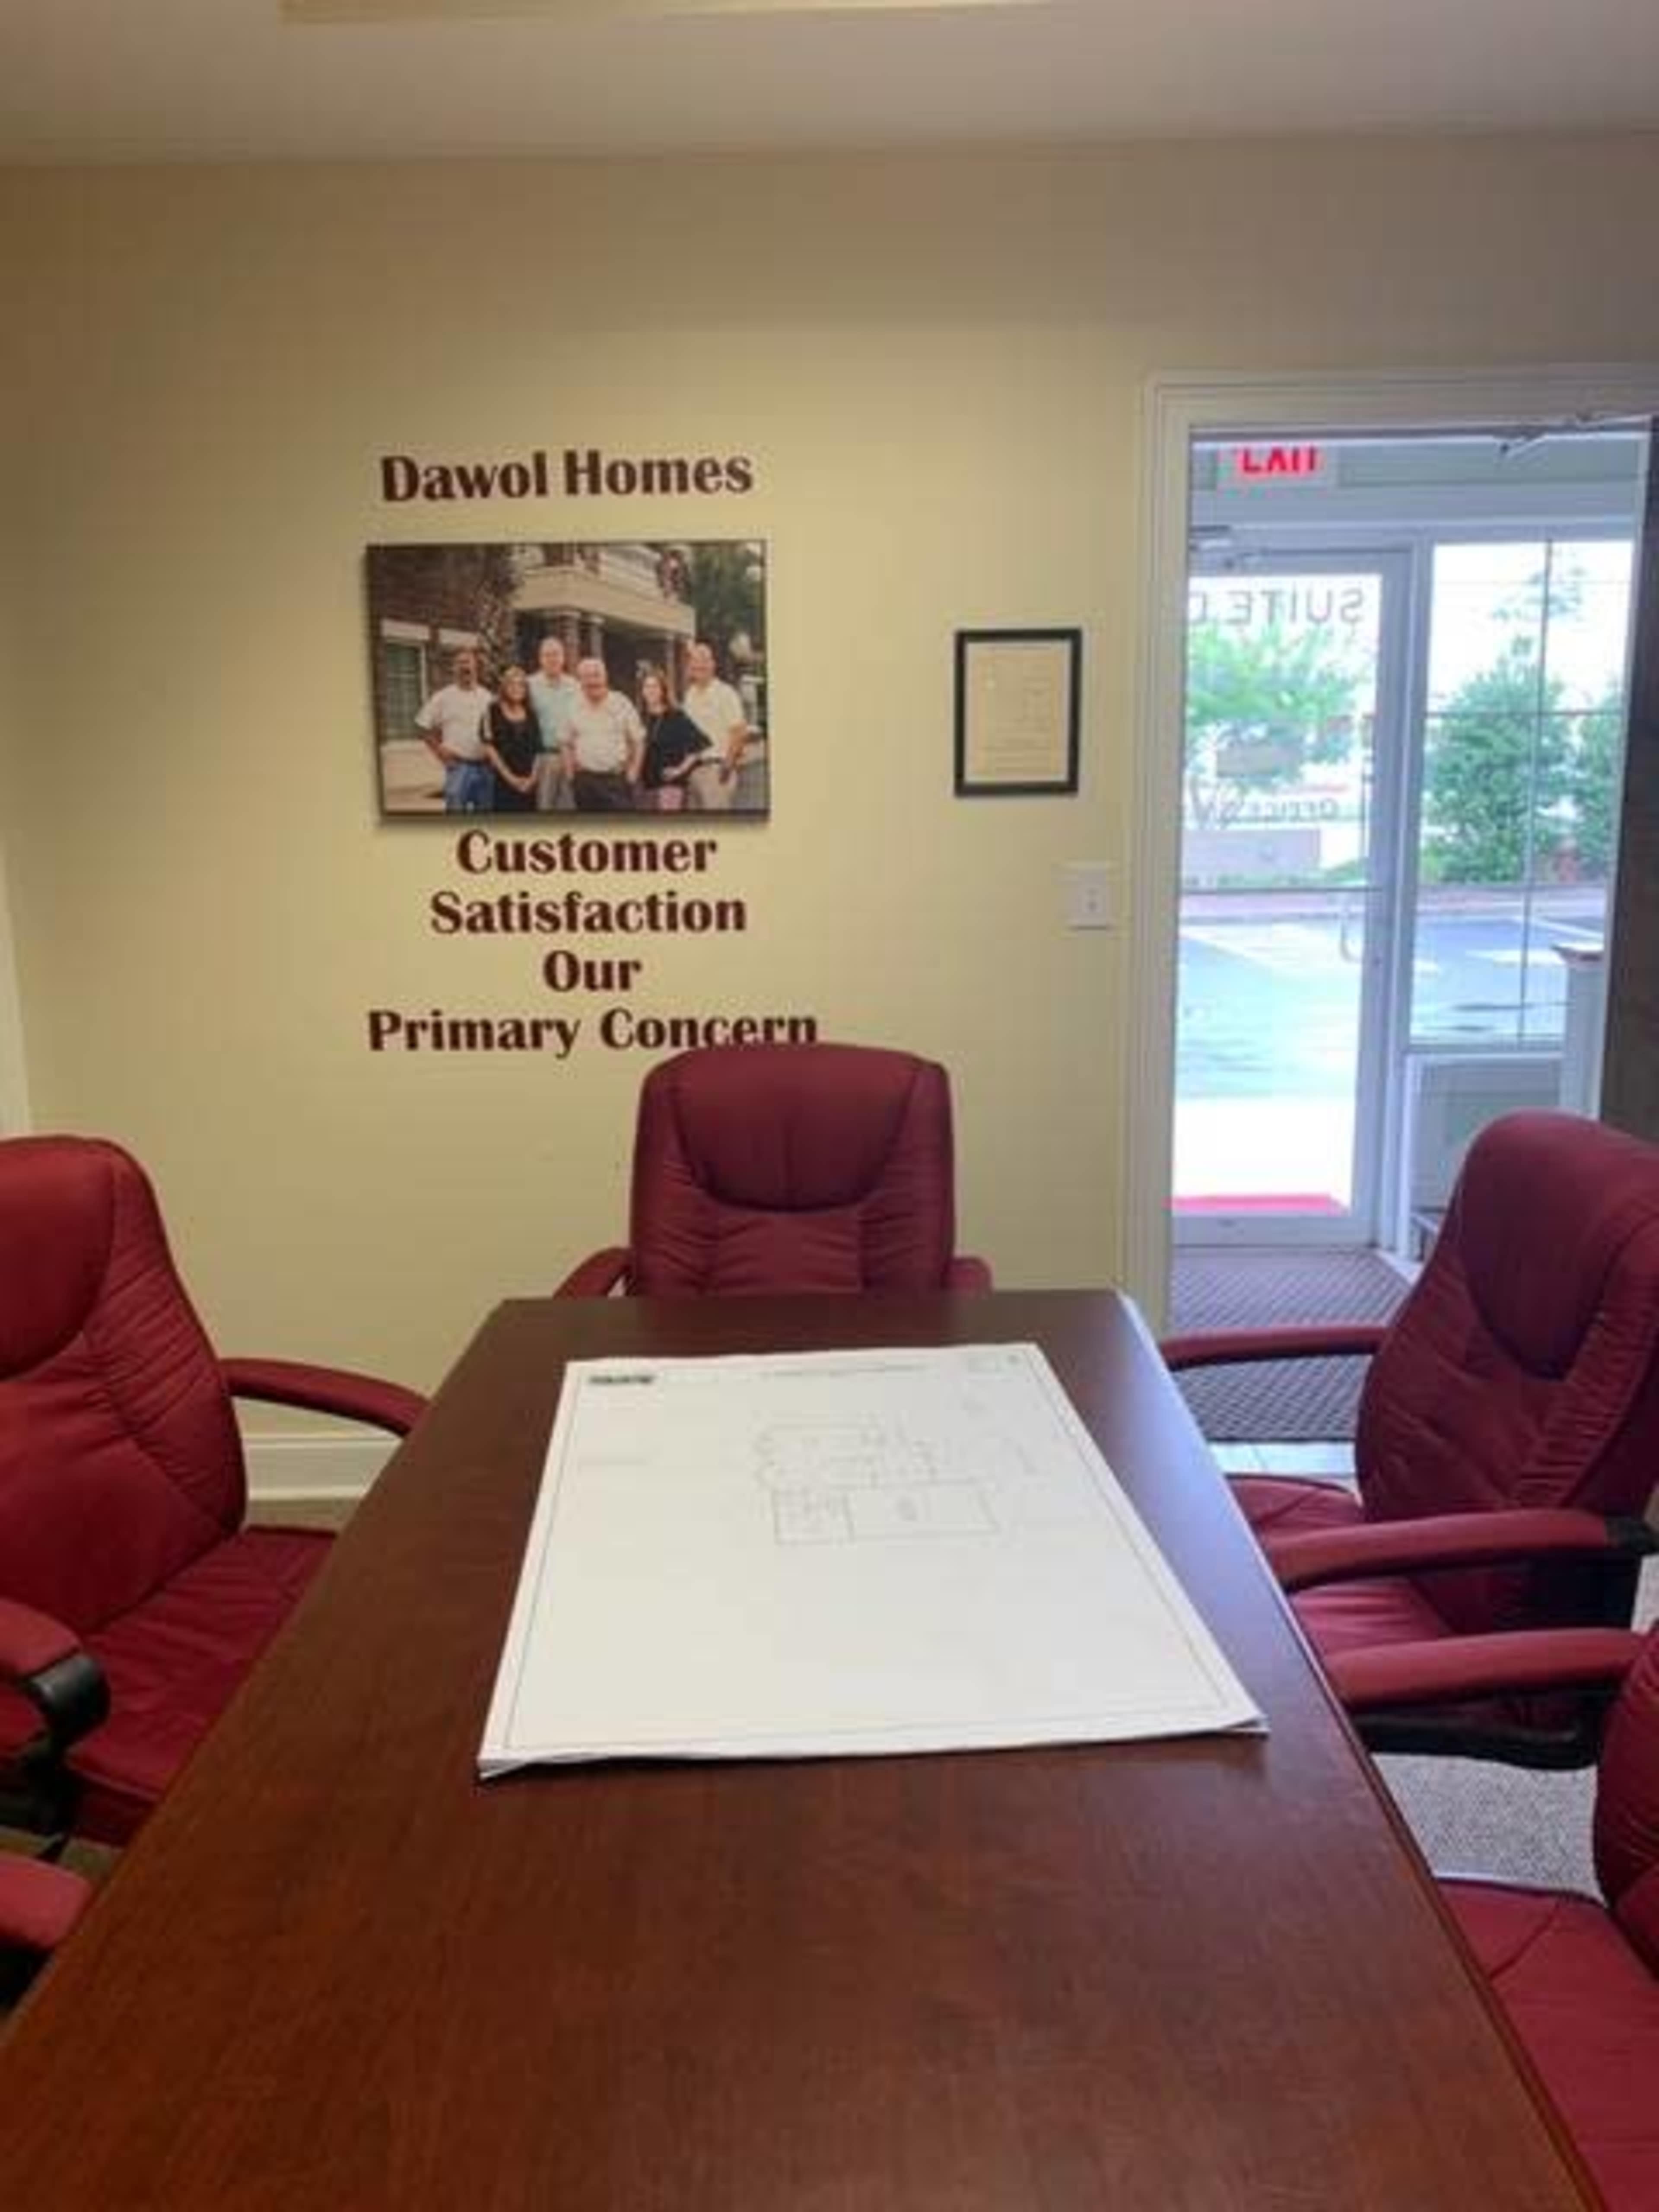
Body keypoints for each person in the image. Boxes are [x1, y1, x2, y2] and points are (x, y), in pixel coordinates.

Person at [414, 647, 493, 813]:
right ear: (454, 668)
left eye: (468, 662)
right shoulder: (443, 697)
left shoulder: (487, 697)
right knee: (456, 818)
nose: (465, 667)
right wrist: (439, 752)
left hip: (485, 767)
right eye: (460, 663)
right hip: (459, 767)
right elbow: (422, 726)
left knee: (487, 817)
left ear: (476, 666)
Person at [561, 657, 644, 812]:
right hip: (585, 783)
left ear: (605, 677)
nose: (593, 681)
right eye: (586, 677)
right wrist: (571, 776)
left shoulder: (622, 703)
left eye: (596, 675)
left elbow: (638, 741)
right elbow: (565, 742)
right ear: (580, 681)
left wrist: (633, 773)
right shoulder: (573, 705)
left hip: (616, 781)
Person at [681, 641, 749, 814]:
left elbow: (739, 732)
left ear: (713, 664)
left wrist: (727, 765)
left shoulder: (726, 694)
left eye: (705, 660)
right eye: (695, 660)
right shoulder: (690, 695)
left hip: (716, 770)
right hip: (693, 771)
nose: (699, 664)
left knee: (715, 827)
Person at [636, 667, 704, 814]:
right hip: (644, 785)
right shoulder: (639, 717)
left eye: (655, 686)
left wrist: (680, 770)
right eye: (647, 687)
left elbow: (698, 746)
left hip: (669, 785)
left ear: (663, 690)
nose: (651, 690)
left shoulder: (676, 716)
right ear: (642, 691)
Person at [528, 635, 580, 812]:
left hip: (571, 757)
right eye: (547, 655)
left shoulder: (575, 686)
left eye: (556, 654)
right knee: (544, 807)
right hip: (543, 757)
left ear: (564, 658)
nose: (552, 659)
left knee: (569, 808)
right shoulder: (530, 685)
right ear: (540, 659)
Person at [481, 664, 540, 813]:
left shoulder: (532, 714)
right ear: (504, 687)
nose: (516, 688)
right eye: (512, 684)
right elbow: (489, 747)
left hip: (529, 783)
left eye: (521, 685)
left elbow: (538, 750)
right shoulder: (492, 710)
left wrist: (533, 779)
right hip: (503, 781)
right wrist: (511, 779)